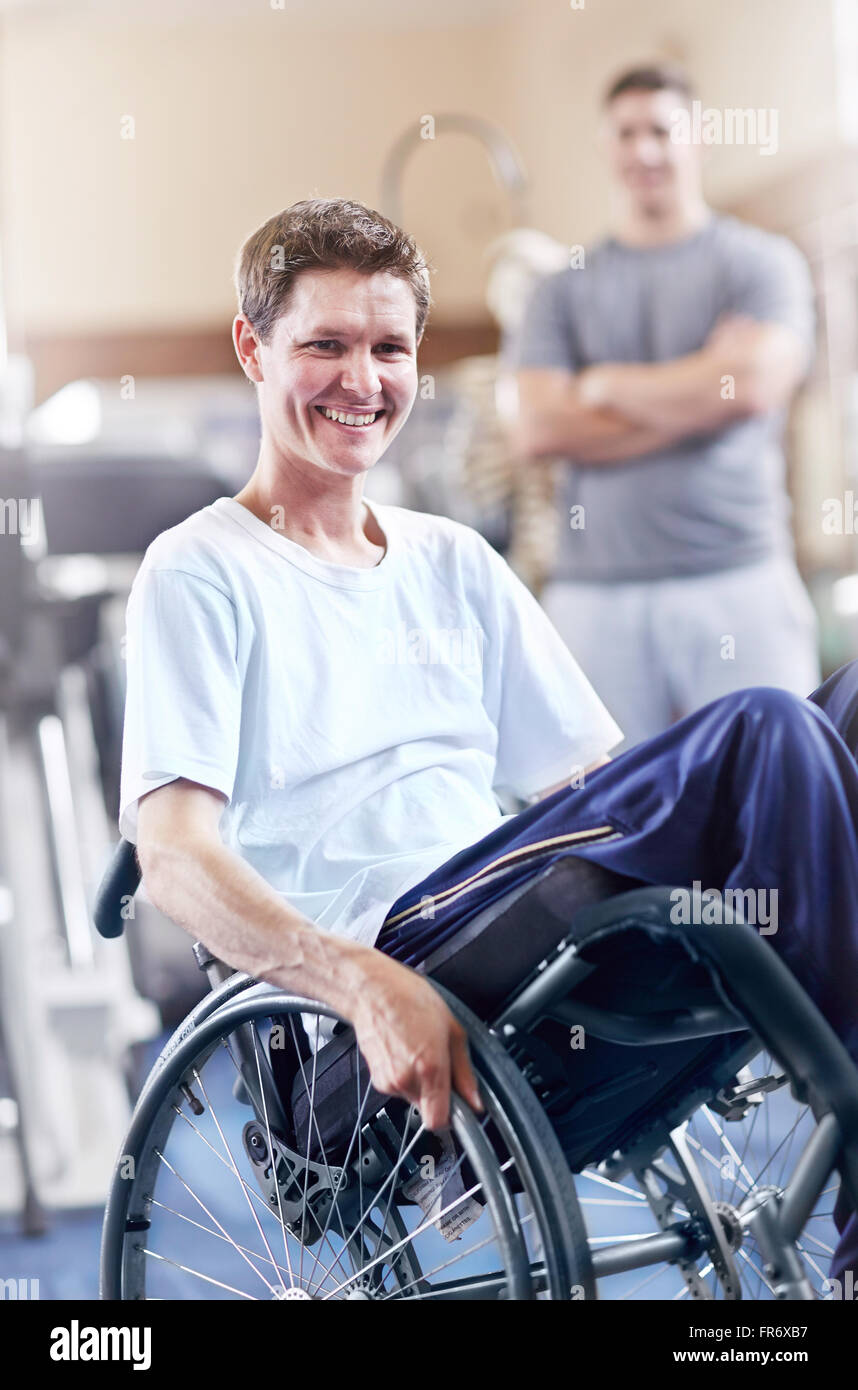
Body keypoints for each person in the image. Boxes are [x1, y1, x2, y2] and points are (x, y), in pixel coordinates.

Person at [121, 199, 857, 1280]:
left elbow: (593, 782)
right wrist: (365, 985)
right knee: (767, 727)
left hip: (520, 914)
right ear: (252, 347)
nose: (360, 382)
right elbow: (173, 855)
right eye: (323, 345)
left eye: (387, 348)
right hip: (405, 941)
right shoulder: (200, 569)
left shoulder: (451, 561)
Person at [510, 62, 821, 749]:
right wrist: (703, 391)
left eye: (661, 129)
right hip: (594, 598)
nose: (644, 149)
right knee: (605, 823)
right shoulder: (561, 290)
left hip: (740, 578)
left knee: (774, 798)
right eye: (626, 133)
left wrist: (603, 386)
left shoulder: (761, 263)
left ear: (699, 138)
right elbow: (536, 427)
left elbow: (756, 387)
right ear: (606, 147)